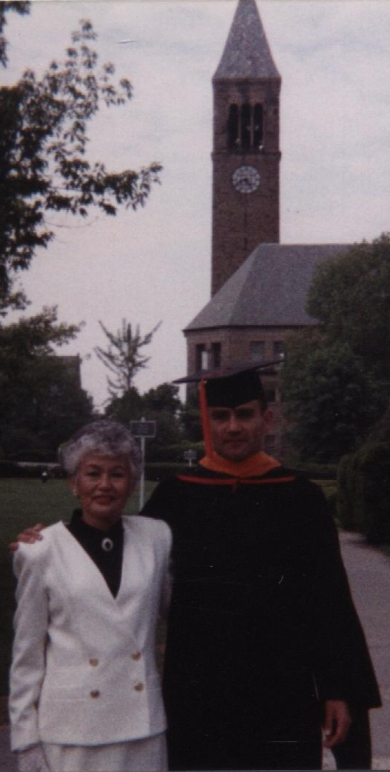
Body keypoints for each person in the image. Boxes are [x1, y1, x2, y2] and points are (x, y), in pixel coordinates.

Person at [13, 366, 381, 771]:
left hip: (281, 687)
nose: (233, 426)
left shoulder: (301, 498)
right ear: (207, 422)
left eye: (245, 414)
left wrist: (337, 688)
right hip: (198, 691)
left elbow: (329, 600)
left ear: (267, 418)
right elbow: (114, 546)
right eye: (221, 416)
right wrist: (43, 542)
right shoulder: (179, 495)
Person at [9, 421, 172, 772]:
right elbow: (27, 654)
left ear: (131, 483)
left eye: (117, 474)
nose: (104, 485)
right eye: (92, 473)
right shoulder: (40, 551)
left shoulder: (157, 538)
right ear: (73, 483)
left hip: (142, 730)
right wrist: (25, 741)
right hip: (72, 735)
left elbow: (179, 611)